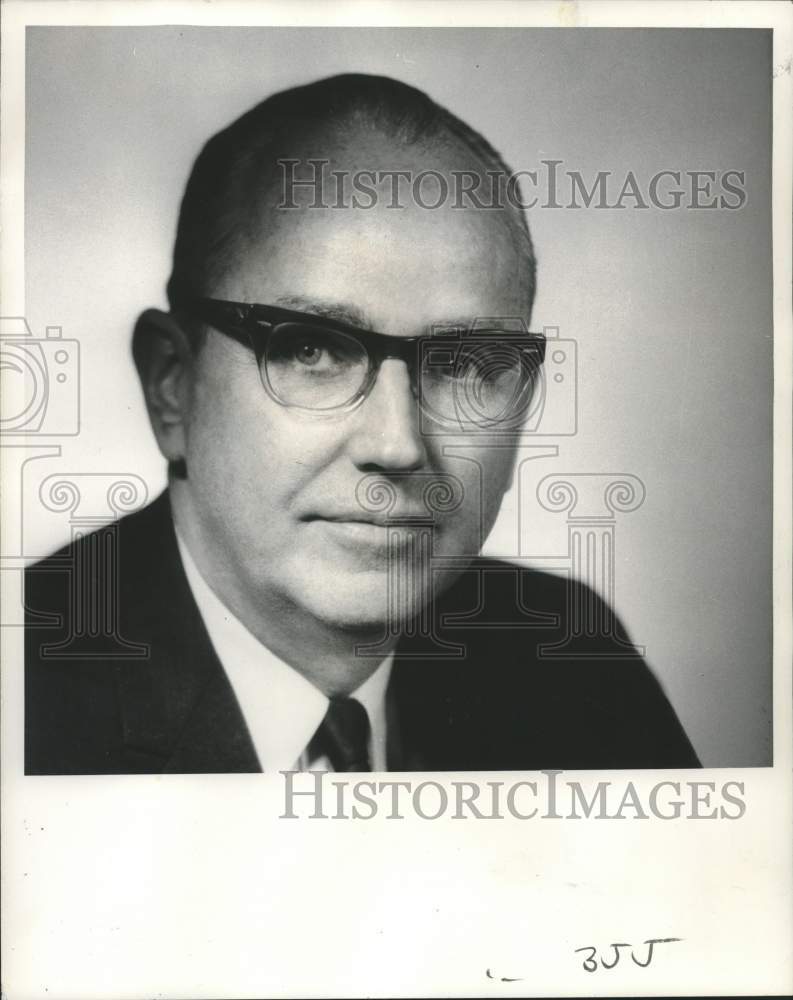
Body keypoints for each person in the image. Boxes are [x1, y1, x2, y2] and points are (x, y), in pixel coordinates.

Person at [25, 74, 699, 774]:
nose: (396, 445)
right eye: (309, 350)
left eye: (464, 363)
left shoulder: (570, 661)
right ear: (172, 385)